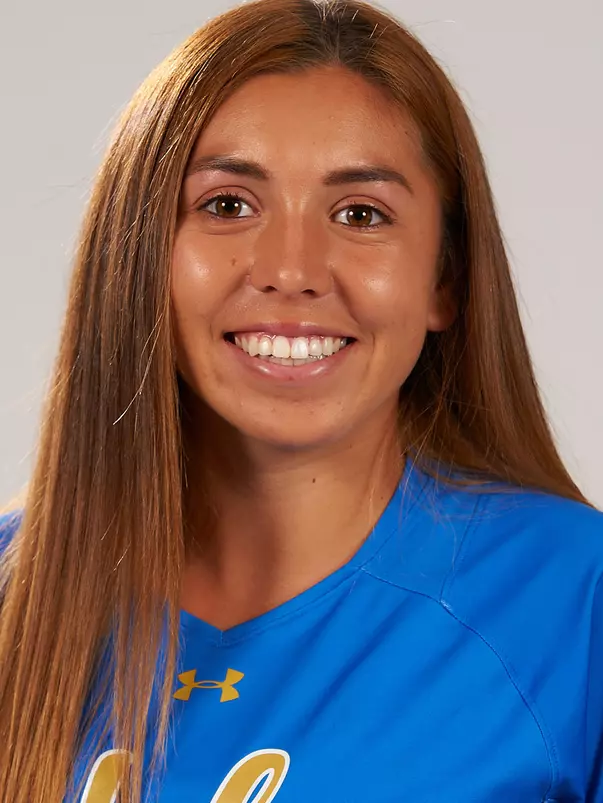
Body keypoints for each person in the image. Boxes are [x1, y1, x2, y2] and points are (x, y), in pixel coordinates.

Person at [0, 0, 601, 800]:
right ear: (140, 256)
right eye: (226, 205)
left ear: (445, 279)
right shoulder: (18, 590)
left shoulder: (569, 596)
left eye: (360, 213)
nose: (291, 267)